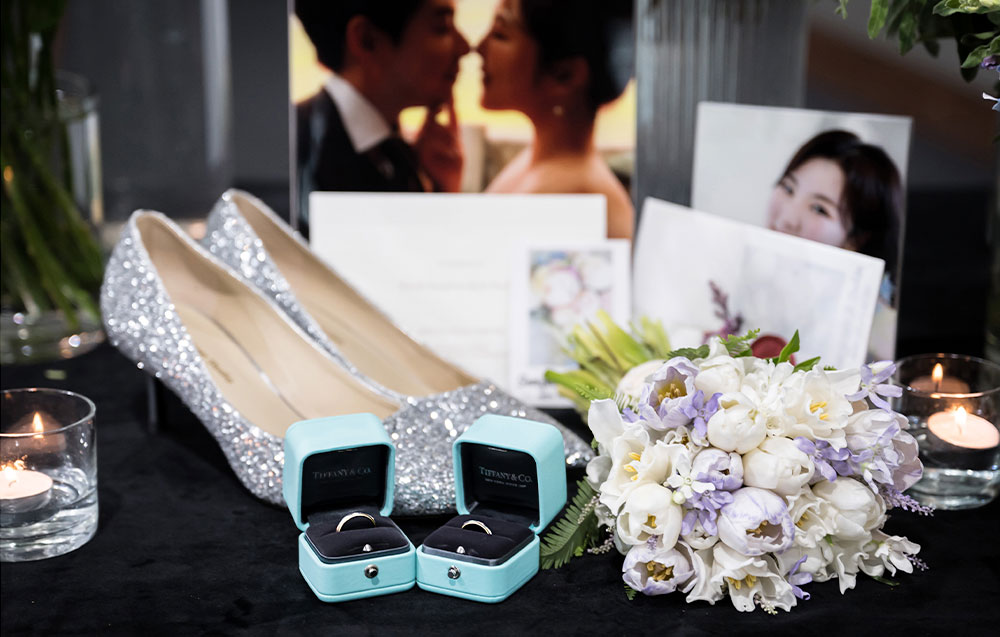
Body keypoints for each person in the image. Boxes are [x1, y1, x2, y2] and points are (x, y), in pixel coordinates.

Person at [295, 0, 470, 233]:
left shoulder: (402, 154)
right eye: (442, 27)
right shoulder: (296, 149)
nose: (465, 47)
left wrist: (441, 192)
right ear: (366, 40)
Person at [476, 0, 635, 240]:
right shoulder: (544, 163)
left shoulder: (573, 196)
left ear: (564, 74)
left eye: (500, 35)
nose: (478, 47)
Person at [766, 129, 903, 359]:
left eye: (819, 209)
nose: (787, 218)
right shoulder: (731, 276)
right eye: (788, 188)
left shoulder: (876, 331)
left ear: (856, 239)